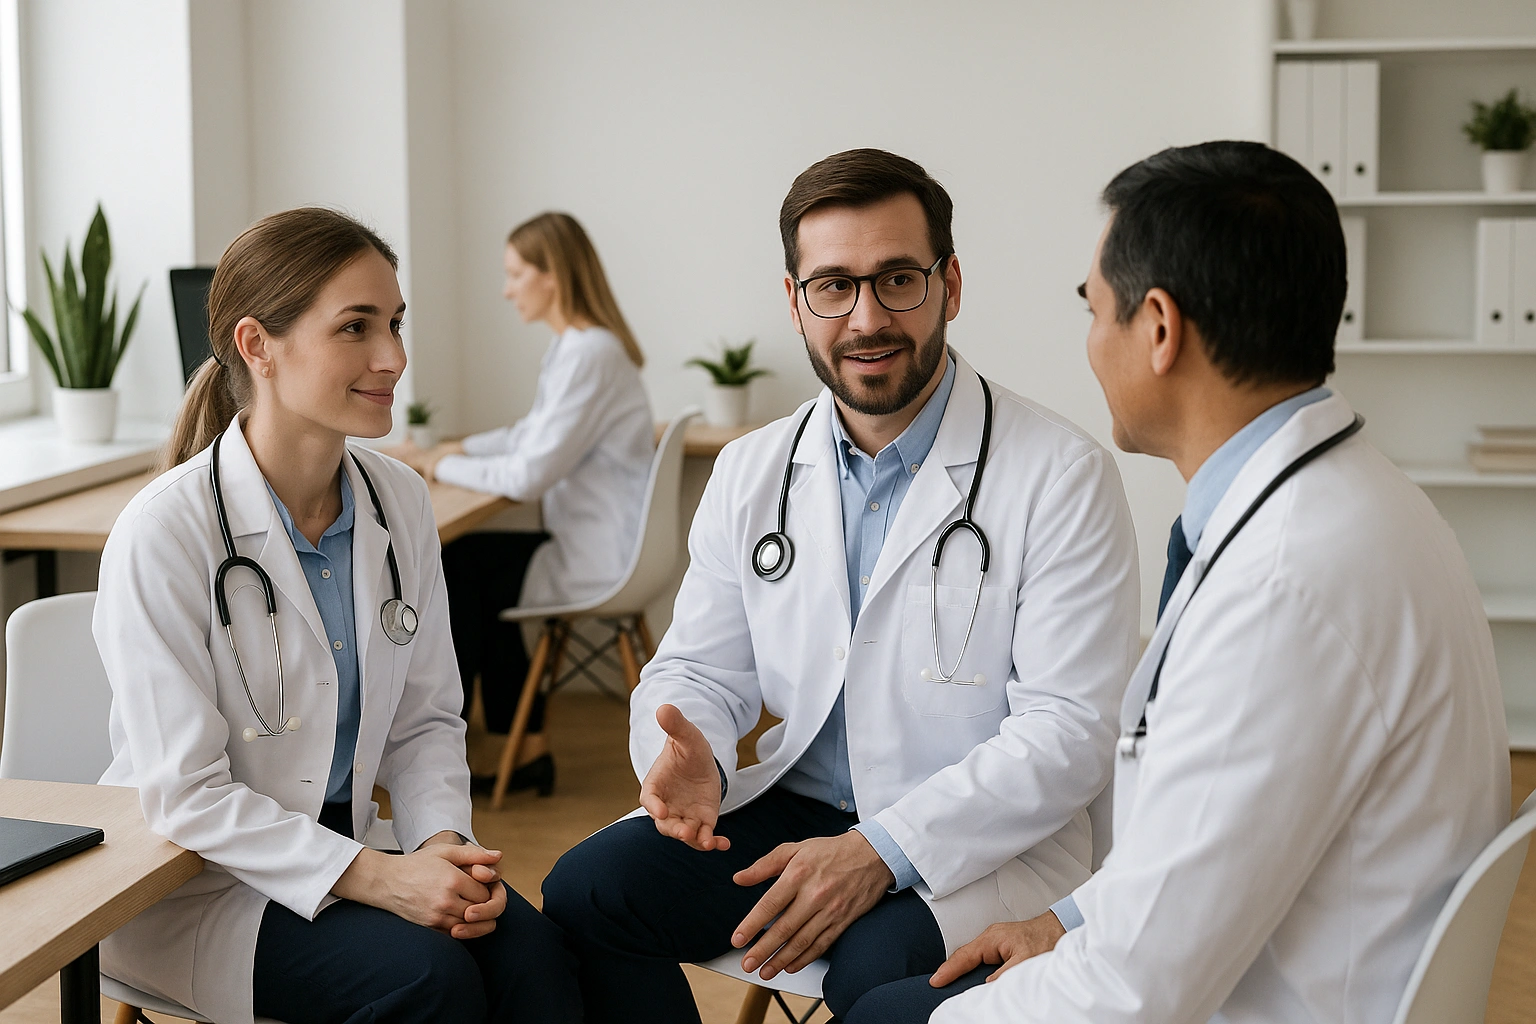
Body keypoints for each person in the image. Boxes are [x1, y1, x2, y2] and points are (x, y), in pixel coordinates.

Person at [860, 141, 1511, 1023]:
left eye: (1093, 309)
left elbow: (1133, 993)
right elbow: (1227, 836)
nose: (1090, 341)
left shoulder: (1284, 585)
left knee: (890, 1012)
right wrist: (1070, 918)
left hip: (1247, 998)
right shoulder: (1359, 501)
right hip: (1279, 953)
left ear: (1159, 329)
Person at [540, 148, 1141, 1023]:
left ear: (950, 285)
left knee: (879, 970)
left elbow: (1070, 731)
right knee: (589, 892)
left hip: (974, 841)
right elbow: (698, 671)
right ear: (794, 301)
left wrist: (879, 852)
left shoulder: (1059, 474)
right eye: (833, 286)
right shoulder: (754, 471)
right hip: (797, 804)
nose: (867, 317)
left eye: (898, 278)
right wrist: (692, 749)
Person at [94, 208, 583, 1024]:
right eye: (355, 327)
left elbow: (425, 719)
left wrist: (437, 848)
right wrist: (384, 878)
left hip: (350, 853)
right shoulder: (165, 530)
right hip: (197, 885)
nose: (392, 356)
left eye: (393, 323)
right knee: (427, 980)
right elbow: (186, 796)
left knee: (533, 954)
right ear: (258, 346)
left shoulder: (399, 501)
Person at [405, 212, 654, 795]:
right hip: (592, 541)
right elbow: (530, 434)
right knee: (471, 565)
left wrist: (439, 465)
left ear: (553, 275)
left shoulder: (589, 353)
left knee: (459, 567)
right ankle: (521, 749)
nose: (506, 288)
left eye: (516, 273)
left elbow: (530, 473)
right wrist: (456, 446)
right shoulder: (579, 349)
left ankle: (442, 752)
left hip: (599, 557)